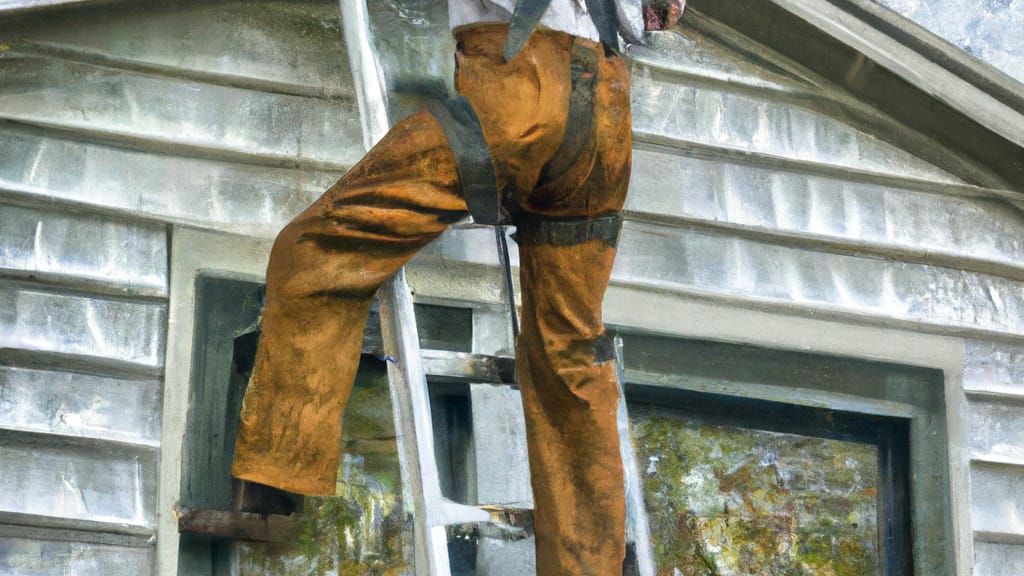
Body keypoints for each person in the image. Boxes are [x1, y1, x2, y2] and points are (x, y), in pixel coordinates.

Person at [232, 1, 675, 573]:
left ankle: (275, 480)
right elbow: (658, 15)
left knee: (315, 249)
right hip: (606, 123)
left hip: (520, 96)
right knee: (568, 352)